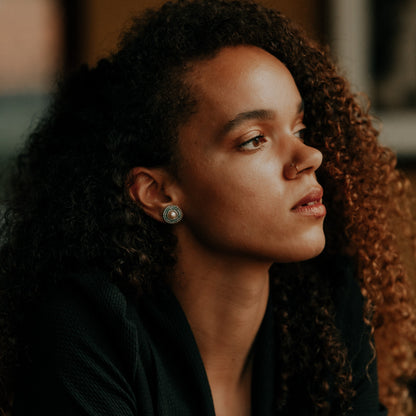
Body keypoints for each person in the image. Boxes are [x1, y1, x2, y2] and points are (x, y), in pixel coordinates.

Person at [1, 0, 416, 414]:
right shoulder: (88, 326)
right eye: (254, 139)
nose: (309, 156)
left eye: (299, 128)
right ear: (158, 192)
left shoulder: (330, 302)